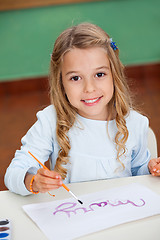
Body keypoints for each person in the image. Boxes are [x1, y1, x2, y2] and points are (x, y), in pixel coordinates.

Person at [4, 22, 160, 196]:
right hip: (72, 215)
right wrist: (32, 180)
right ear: (61, 82)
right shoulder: (50, 121)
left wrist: (151, 169)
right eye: (76, 78)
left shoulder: (135, 123)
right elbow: (13, 173)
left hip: (120, 215)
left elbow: (139, 172)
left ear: (114, 75)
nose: (89, 88)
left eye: (99, 74)